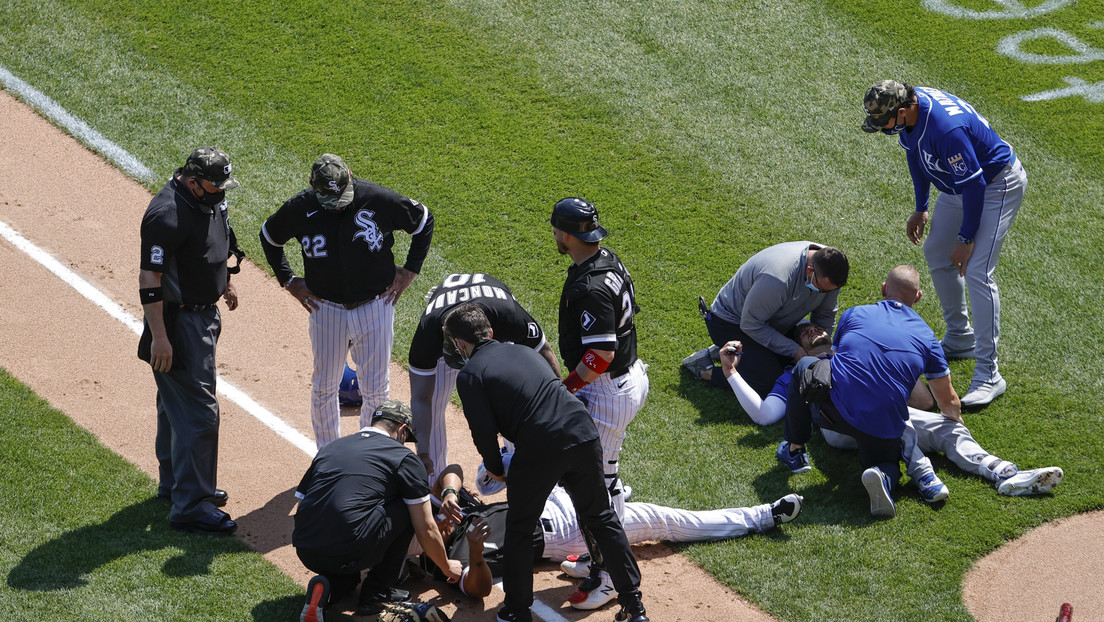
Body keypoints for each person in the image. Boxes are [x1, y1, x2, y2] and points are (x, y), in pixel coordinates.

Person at [444, 303, 649, 622]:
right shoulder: (523, 351)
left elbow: (482, 430)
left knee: (520, 528)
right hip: (583, 432)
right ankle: (634, 606)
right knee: (601, 516)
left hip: (540, 446)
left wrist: (496, 466)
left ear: (459, 343)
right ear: (491, 332)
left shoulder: (471, 374)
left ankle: (515, 610)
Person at [719, 324, 1063, 500]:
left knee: (948, 427)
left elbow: (924, 400)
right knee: (888, 415)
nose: (812, 331)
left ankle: (1004, 473)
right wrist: (731, 374)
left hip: (886, 412)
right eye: (803, 333)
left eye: (816, 327)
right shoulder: (795, 373)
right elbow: (765, 415)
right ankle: (922, 477)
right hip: (838, 427)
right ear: (797, 347)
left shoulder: (856, 351)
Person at [862, 80, 1027, 407]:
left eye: (885, 122)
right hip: (959, 186)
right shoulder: (912, 113)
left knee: (978, 270)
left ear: (904, 109)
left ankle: (989, 372)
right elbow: (915, 154)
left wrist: (966, 239)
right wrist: (921, 206)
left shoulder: (944, 129)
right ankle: (960, 336)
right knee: (936, 250)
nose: (883, 130)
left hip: (995, 184)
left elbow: (976, 185)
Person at [410, 462, 803, 598]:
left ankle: (615, 490)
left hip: (553, 491)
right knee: (665, 521)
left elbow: (452, 472)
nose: (436, 523)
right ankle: (764, 515)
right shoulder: (452, 562)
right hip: (566, 531)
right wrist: (476, 551)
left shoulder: (447, 510)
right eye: (430, 530)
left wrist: (447, 493)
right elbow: (475, 590)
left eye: (429, 519)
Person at [260, 154, 434, 448]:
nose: (338, 204)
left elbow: (423, 221)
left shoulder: (376, 198)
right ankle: (327, 458)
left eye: (342, 195)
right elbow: (270, 237)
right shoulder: (300, 208)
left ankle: (369, 459)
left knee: (377, 391)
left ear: (351, 176)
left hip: (376, 306)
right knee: (325, 387)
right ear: (312, 186)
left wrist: (410, 271)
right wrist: (289, 280)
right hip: (325, 309)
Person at [775, 265, 961, 518]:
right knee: (886, 461)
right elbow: (947, 400)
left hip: (834, 412)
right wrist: (956, 423)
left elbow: (836, 361)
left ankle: (795, 450)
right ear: (918, 297)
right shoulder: (928, 338)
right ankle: (884, 477)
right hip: (883, 424)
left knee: (806, 365)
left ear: (884, 289)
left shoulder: (855, 314)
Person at [138, 146, 244, 536]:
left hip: (203, 315)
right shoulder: (166, 214)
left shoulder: (208, 201)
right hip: (178, 322)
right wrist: (161, 338)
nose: (220, 192)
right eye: (214, 185)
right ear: (192, 181)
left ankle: (176, 485)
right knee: (199, 413)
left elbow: (213, 246)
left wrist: (225, 281)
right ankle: (192, 505)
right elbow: (150, 278)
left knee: (174, 405)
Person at [551, 197, 650, 610]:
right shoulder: (605, 259)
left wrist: (568, 387)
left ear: (566, 234)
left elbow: (600, 355)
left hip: (607, 389)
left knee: (599, 485)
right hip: (624, 379)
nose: (554, 235)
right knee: (603, 479)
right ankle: (601, 558)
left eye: (556, 229)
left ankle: (610, 576)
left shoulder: (589, 287)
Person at [292, 400, 462, 620]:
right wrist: (447, 567)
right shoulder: (404, 459)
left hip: (306, 549)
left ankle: (329, 586)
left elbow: (303, 501)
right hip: (349, 549)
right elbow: (427, 528)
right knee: (408, 506)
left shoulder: (331, 447)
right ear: (401, 430)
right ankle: (377, 593)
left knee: (350, 554)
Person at [408, 272, 559, 481]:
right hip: (451, 329)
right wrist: (422, 452)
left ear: (492, 333)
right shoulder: (429, 333)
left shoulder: (509, 317)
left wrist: (561, 402)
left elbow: (545, 353)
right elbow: (421, 398)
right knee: (433, 403)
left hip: (491, 321)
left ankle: (520, 469)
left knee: (513, 396)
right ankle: (435, 486)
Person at [681, 241, 849, 397]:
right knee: (769, 380)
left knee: (795, 361)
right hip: (733, 322)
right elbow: (751, 324)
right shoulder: (777, 279)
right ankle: (702, 368)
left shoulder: (829, 267)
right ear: (810, 270)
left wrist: (821, 350)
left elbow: (826, 314)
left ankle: (734, 352)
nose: (824, 294)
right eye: (820, 289)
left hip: (776, 318)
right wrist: (795, 350)